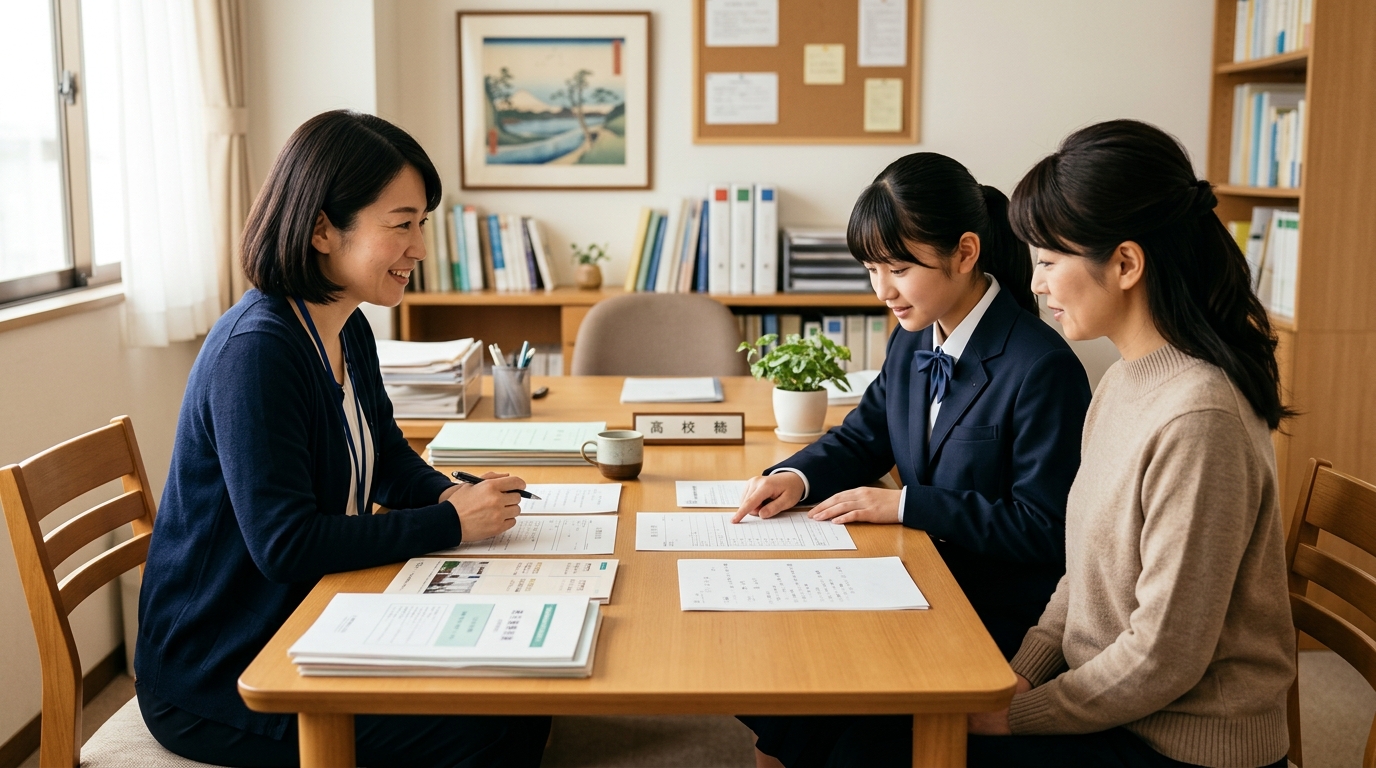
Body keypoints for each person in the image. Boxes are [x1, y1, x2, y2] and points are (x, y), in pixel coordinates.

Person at [135, 111, 550, 767]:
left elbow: (384, 461)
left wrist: (454, 495)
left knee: (522, 698)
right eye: (402, 224)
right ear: (323, 228)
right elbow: (286, 545)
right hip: (223, 670)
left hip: (312, 617)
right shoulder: (259, 353)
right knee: (485, 730)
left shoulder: (345, 325)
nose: (419, 247)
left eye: (422, 224)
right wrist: (448, 523)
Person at [915, 120, 1295, 767]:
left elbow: (1164, 656)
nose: (1034, 284)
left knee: (880, 746)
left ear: (1124, 263)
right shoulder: (1121, 382)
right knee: (870, 731)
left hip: (1180, 743)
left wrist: (1016, 715)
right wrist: (1023, 675)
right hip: (1114, 708)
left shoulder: (1197, 418)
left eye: (1049, 261)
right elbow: (1084, 570)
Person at [733, 152, 1093, 768]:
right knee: (778, 674)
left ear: (966, 251)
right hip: (918, 578)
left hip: (988, 610)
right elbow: (865, 434)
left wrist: (904, 504)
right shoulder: (914, 334)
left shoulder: (1041, 366)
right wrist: (794, 476)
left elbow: (1045, 530)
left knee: (819, 701)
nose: (882, 290)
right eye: (873, 268)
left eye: (899, 267)